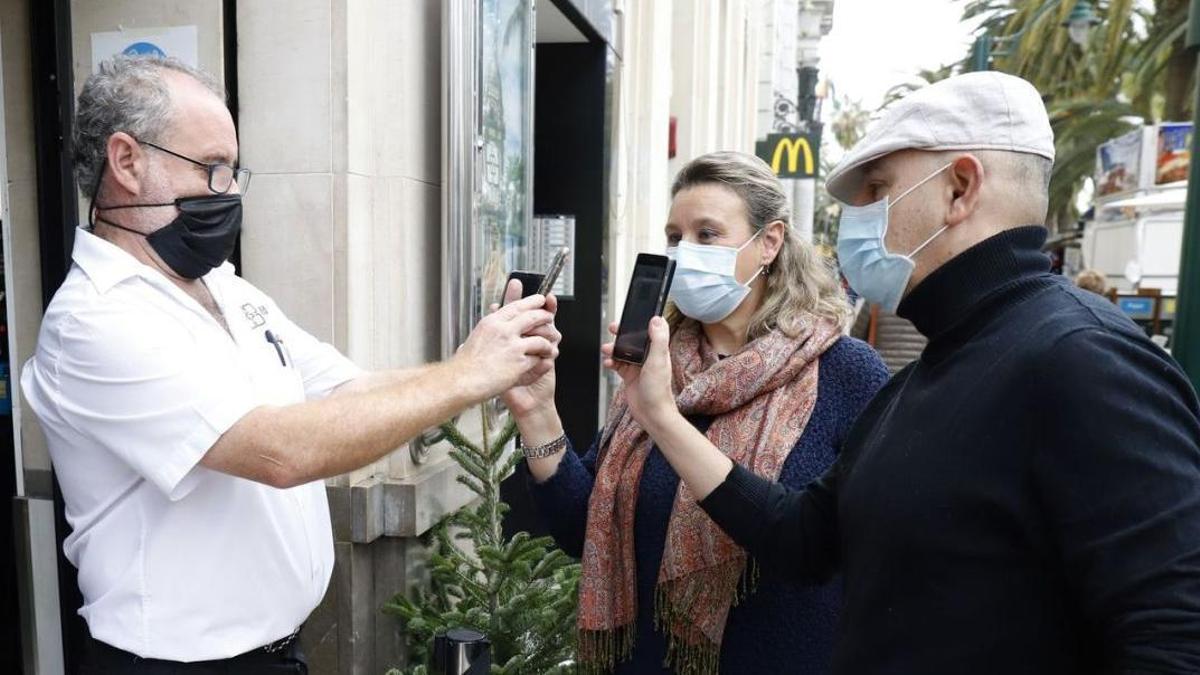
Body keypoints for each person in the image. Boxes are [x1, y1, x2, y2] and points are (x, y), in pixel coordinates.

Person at [602, 71, 1200, 674]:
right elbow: (804, 539)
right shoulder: (932, 370)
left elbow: (1171, 636)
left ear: (960, 188)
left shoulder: (1082, 358)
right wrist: (658, 413)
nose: (857, 217)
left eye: (877, 190)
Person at [20, 56, 560, 672]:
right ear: (127, 161)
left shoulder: (225, 287)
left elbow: (347, 389)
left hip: (279, 652)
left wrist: (478, 357)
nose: (227, 192)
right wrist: (467, 376)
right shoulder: (95, 322)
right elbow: (279, 454)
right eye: (213, 168)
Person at [504, 152, 889, 674]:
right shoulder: (659, 363)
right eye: (674, 235)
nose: (685, 252)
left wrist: (662, 415)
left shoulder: (846, 373)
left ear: (769, 244)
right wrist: (537, 410)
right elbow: (582, 526)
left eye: (707, 234)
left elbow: (845, 553)